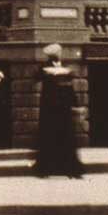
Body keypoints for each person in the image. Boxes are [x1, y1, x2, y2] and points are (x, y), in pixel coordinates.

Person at [31, 47, 85, 178]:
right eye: (56, 53)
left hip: (64, 110)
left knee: (67, 138)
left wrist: (76, 105)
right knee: (48, 138)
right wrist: (46, 72)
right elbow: (36, 77)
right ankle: (45, 170)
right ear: (52, 56)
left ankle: (71, 170)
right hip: (49, 111)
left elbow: (70, 88)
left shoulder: (65, 68)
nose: (59, 55)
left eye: (59, 53)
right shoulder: (44, 68)